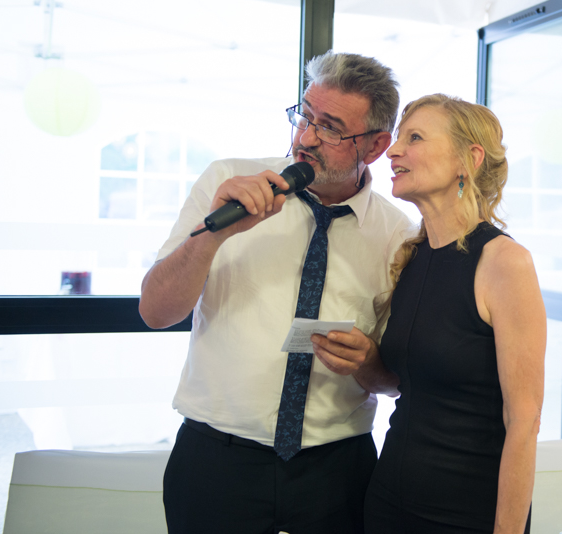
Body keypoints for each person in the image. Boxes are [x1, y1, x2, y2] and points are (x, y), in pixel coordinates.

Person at [139, 52, 412, 534]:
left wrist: (368, 362)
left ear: (375, 147)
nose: (305, 138)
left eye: (330, 128)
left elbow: (394, 381)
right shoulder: (228, 183)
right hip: (216, 462)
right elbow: (155, 312)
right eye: (304, 116)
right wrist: (214, 235)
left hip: (337, 471)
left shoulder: (397, 236)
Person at [363, 94, 547, 534]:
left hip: (464, 517)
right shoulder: (412, 257)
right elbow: (410, 384)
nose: (393, 151)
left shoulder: (504, 263)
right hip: (387, 505)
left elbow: (524, 422)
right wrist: (363, 361)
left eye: (415, 138)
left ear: (469, 159)